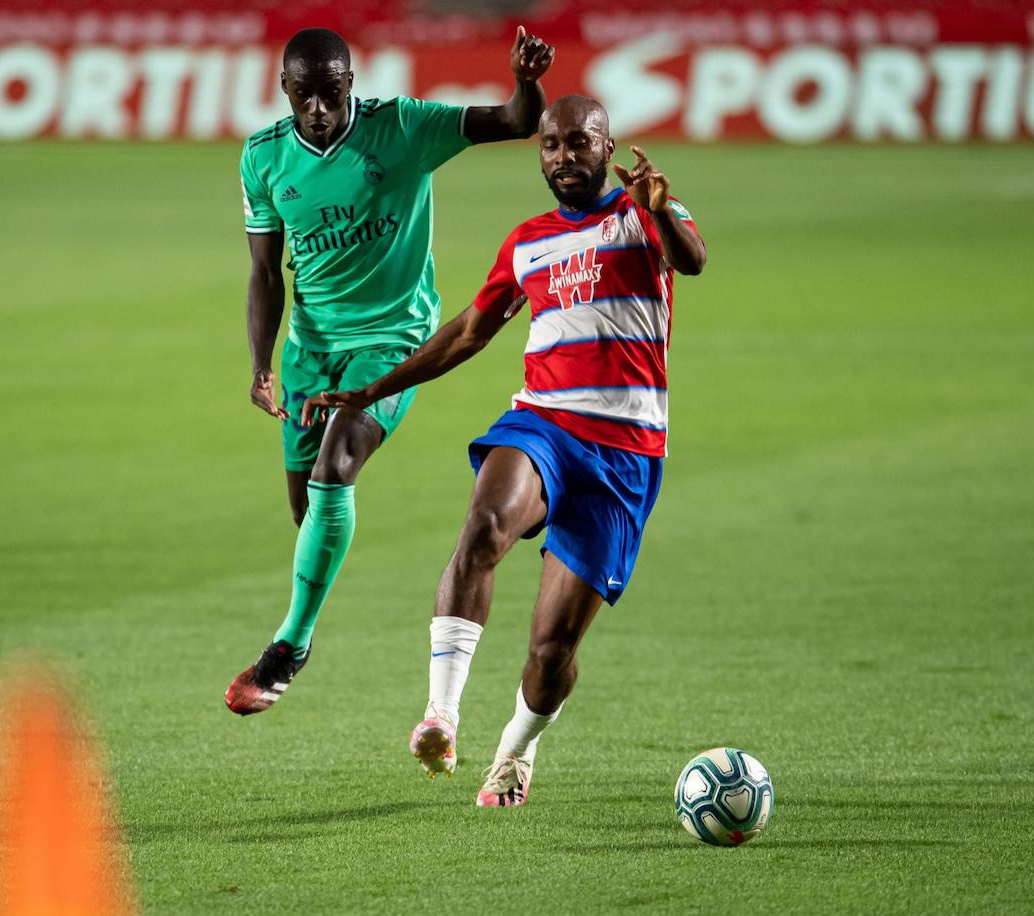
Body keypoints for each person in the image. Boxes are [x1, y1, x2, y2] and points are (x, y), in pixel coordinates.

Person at [301, 95, 706, 805]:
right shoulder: (527, 241)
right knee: (485, 525)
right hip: (543, 422)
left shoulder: (643, 214)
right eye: (549, 144)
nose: (562, 156)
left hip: (625, 452)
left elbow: (693, 261)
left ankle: (515, 755)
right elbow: (467, 333)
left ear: (608, 147)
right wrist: (371, 391)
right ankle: (442, 716)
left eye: (579, 142)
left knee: (552, 651)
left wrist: (663, 208)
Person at [226, 26, 556, 715]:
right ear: (284, 90)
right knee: (306, 508)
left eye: (331, 91)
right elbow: (264, 271)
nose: (317, 107)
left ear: (351, 82)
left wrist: (524, 81)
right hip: (310, 352)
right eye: (302, 94)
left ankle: (290, 644)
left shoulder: (404, 126)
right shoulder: (262, 158)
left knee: (335, 466)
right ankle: (306, 610)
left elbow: (515, 121)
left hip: (393, 340)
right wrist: (262, 364)